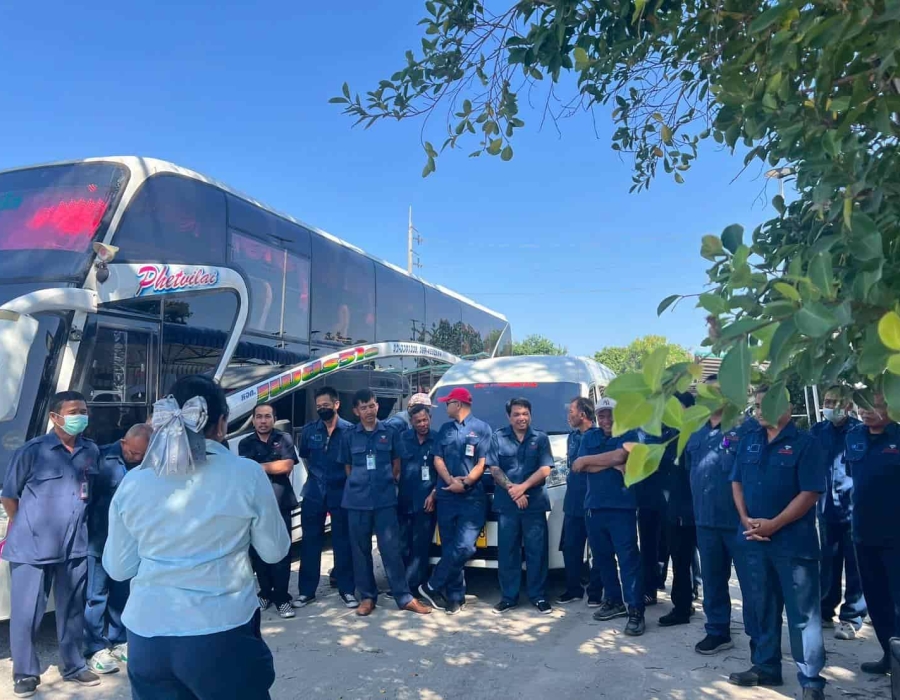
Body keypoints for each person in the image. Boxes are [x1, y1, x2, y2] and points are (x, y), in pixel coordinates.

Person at [103, 375, 290, 700]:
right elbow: (274, 551)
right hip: (221, 632)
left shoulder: (134, 482)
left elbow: (119, 568)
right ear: (222, 423)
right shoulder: (246, 474)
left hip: (147, 637)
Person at [1, 391, 102, 697]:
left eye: (83, 411)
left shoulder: (90, 450)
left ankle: (74, 666)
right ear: (55, 417)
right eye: (73, 412)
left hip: (74, 546)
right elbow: (9, 495)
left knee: (72, 610)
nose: (80, 417)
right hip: (31, 548)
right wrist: (25, 525)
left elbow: (89, 492)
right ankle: (25, 673)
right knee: (26, 614)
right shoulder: (33, 451)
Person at [729, 386, 826, 700]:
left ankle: (811, 681)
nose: (760, 411)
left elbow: (810, 492)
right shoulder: (749, 440)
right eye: (757, 405)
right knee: (762, 608)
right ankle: (766, 667)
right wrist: (745, 519)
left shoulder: (806, 443)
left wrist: (775, 524)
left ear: (787, 407)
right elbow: (736, 481)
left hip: (792, 544)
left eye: (766, 405)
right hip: (754, 542)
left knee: (802, 616)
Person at [338, 389, 432, 617]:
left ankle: (404, 597)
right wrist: (360, 484)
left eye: (372, 406)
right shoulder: (349, 436)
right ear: (356, 411)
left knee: (391, 550)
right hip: (357, 502)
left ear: (377, 406)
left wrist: (386, 482)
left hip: (385, 501)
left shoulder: (390, 432)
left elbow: (397, 463)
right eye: (363, 408)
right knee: (360, 551)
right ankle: (367, 597)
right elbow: (348, 467)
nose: (369, 411)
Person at [685, 376, 758, 656]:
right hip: (705, 520)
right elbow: (691, 470)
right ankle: (717, 631)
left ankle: (760, 639)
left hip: (741, 522)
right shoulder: (695, 430)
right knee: (713, 581)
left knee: (752, 585)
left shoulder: (748, 428)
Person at [572, 398, 645, 636]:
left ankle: (636, 610)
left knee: (628, 560)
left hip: (622, 508)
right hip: (594, 508)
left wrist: (590, 460)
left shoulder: (631, 434)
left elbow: (619, 458)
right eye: (601, 415)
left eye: (610, 414)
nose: (606, 420)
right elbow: (579, 467)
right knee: (603, 559)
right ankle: (614, 601)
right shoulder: (589, 437)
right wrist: (611, 461)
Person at [84, 423, 152, 675]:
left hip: (129, 544)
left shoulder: (148, 465)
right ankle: (94, 648)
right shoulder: (101, 458)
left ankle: (119, 640)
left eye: (142, 455)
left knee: (122, 594)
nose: (136, 458)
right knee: (96, 596)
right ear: (123, 442)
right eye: (133, 453)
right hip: (99, 540)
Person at [418, 387, 493, 616]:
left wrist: (466, 483)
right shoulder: (445, 429)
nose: (445, 406)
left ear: (458, 404)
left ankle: (432, 585)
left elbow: (482, 463)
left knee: (465, 546)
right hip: (447, 496)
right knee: (450, 547)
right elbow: (437, 459)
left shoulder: (482, 429)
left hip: (472, 498)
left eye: (447, 403)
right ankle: (455, 597)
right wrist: (451, 481)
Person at [845, 393, 900, 676]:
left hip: (896, 536)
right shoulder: (853, 436)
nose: (866, 411)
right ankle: (890, 656)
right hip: (864, 533)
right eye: (862, 406)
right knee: (877, 600)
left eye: (874, 406)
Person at [487, 398, 555, 615]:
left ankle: (538, 596)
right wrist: (513, 490)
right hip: (507, 506)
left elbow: (545, 469)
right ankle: (509, 597)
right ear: (509, 417)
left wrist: (522, 487)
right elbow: (494, 469)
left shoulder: (540, 438)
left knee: (537, 551)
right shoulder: (498, 437)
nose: (521, 418)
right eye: (516, 414)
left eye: (525, 413)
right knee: (508, 552)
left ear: (530, 415)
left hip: (534, 504)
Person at [811, 387, 865, 640]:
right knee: (828, 564)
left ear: (848, 406)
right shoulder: (817, 432)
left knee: (855, 567)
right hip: (826, 509)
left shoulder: (860, 432)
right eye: (827, 401)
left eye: (835, 402)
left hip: (855, 510)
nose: (829, 406)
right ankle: (824, 610)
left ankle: (851, 617)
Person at [296, 386, 357, 609]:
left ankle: (347, 590)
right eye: (319, 406)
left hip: (341, 493)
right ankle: (306, 592)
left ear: (336, 404)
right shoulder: (309, 430)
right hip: (314, 493)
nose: (322, 409)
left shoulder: (350, 431)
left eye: (326, 405)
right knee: (310, 543)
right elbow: (305, 456)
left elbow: (353, 462)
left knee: (343, 542)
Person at [238, 404, 299, 619]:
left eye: (267, 417)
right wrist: (273, 465)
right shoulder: (245, 443)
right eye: (259, 417)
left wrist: (259, 466)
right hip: (255, 506)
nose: (263, 421)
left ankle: (282, 598)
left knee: (282, 550)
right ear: (253, 420)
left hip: (281, 503)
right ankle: (265, 593)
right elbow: (246, 472)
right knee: (258, 552)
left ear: (274, 419)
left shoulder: (284, 439)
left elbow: (287, 466)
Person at [650, 391, 698, 627]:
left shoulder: (697, 434)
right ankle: (682, 607)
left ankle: (712, 617)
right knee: (680, 561)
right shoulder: (667, 435)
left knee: (705, 564)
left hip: (697, 508)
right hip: (675, 507)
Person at [557, 397, 604, 607]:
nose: (569, 416)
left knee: (598, 548)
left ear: (583, 414)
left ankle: (595, 592)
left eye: (571, 412)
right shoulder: (572, 437)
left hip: (593, 499)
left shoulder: (598, 436)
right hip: (573, 501)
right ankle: (573, 589)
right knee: (570, 547)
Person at [397, 403, 438, 597]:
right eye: (418, 421)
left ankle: (412, 587)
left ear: (430, 419)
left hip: (427, 500)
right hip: (404, 500)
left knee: (420, 546)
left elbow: (444, 471)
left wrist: (434, 494)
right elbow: (395, 465)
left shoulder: (438, 439)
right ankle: (402, 583)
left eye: (425, 420)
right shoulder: (402, 439)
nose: (422, 424)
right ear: (411, 422)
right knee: (402, 545)